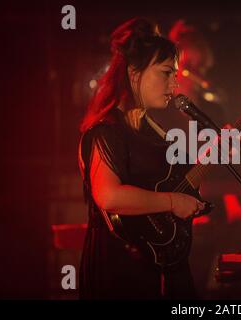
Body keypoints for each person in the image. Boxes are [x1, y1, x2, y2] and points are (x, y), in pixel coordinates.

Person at [77, 17, 204, 299]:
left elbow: (175, 184)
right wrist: (174, 202)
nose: (175, 83)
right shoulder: (106, 132)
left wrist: (211, 156)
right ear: (134, 74)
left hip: (162, 266)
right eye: (166, 73)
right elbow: (109, 196)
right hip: (122, 272)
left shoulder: (155, 131)